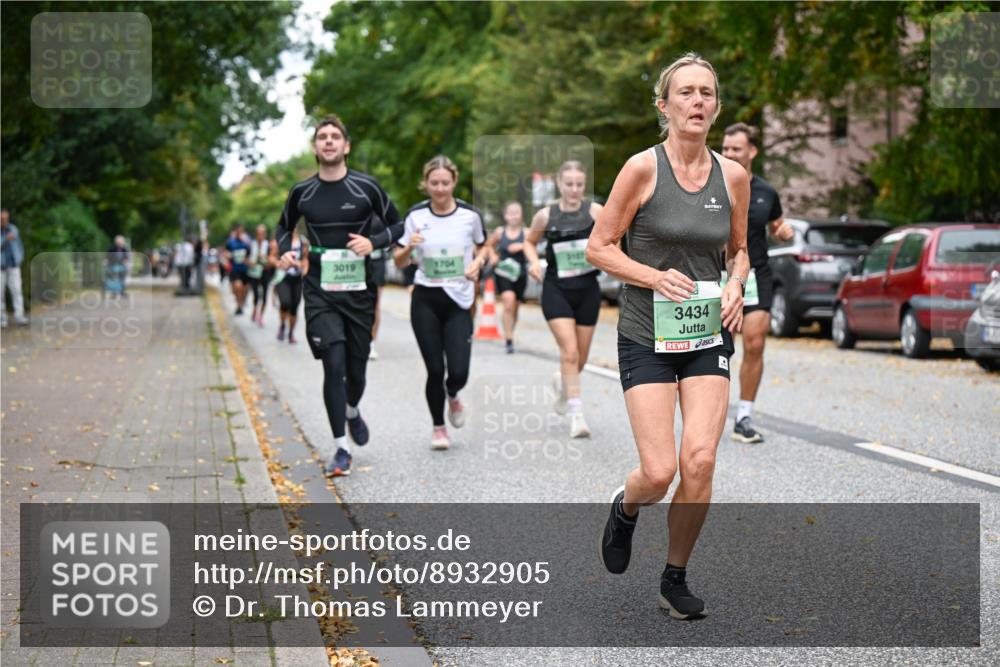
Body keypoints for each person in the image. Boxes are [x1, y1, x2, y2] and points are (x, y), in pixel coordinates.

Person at [586, 53, 750, 620]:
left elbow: (740, 249)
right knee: (659, 472)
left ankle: (674, 577)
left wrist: (736, 284)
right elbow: (599, 246)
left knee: (699, 461)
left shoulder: (734, 176)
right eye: (686, 93)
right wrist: (654, 276)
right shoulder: (641, 169)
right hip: (645, 331)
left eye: (707, 93)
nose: (698, 101)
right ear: (665, 105)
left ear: (717, 106)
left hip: (706, 332)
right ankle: (627, 509)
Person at [276, 114, 402, 477]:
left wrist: (373, 241)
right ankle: (341, 449)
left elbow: (398, 224)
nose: (329, 141)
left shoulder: (367, 188)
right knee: (333, 363)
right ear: (316, 147)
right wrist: (287, 248)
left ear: (346, 146)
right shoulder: (303, 192)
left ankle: (351, 411)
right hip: (319, 290)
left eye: (335, 137)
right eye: (322, 137)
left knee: (356, 372)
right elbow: (283, 226)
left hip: (359, 292)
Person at [394, 156, 488, 450]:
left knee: (458, 371)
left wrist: (478, 263)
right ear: (426, 184)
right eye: (434, 183)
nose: (439, 188)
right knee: (435, 368)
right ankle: (438, 427)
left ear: (454, 182)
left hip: (459, 300)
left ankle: (453, 394)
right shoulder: (415, 216)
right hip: (425, 299)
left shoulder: (469, 216)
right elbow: (398, 262)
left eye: (445, 182)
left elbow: (483, 246)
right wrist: (409, 246)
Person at [721, 123, 793, 444]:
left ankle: (744, 416)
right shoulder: (710, 185)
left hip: (755, 274)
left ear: (752, 152)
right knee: (718, 347)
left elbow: (775, 223)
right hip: (717, 275)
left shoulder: (766, 192)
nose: (729, 154)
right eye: (725, 148)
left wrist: (781, 231)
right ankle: (707, 411)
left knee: (754, 343)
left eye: (736, 149)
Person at [523, 161, 605, 438]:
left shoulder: (595, 211)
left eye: (579, 184)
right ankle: (577, 415)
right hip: (556, 289)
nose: (573, 189)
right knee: (569, 352)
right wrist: (533, 262)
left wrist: (609, 255)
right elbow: (529, 242)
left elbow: (612, 238)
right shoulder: (546, 216)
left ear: (584, 186)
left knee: (578, 360)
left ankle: (562, 383)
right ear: (559, 184)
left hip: (588, 290)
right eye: (568, 184)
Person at [486, 201, 528, 353]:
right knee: (508, 302)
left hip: (520, 274)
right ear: (505, 216)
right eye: (510, 213)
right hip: (503, 273)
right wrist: (492, 256)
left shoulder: (527, 233)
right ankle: (509, 339)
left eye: (516, 213)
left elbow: (533, 246)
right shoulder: (499, 232)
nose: (513, 216)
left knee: (515, 308)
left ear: (521, 215)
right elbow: (488, 245)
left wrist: (522, 246)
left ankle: (510, 331)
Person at [271, 226, 307, 344]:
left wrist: (301, 265)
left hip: (297, 278)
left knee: (294, 308)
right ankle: (282, 326)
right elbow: (272, 257)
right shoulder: (280, 240)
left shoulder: (303, 242)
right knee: (285, 302)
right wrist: (278, 263)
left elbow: (306, 260)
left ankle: (291, 333)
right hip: (283, 277)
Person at [1, 208, 27, 327]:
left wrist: (20, 257)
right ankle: (2, 319)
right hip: (1, 267)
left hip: (14, 265)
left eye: (5, 218)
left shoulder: (13, 229)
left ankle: (19, 316)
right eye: (1, 219)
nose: (4, 221)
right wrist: (6, 239)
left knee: (17, 290)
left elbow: (19, 245)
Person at [368, 217, 389, 360]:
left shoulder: (381, 213)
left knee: (375, 305)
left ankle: (371, 344)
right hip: (357, 263)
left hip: (377, 264)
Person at [248, 224, 276, 327]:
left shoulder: (268, 245)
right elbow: (246, 258)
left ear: (265, 234)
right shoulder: (251, 244)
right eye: (259, 233)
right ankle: (255, 308)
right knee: (255, 294)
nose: (261, 235)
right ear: (256, 234)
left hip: (265, 272)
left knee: (264, 295)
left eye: (262, 233)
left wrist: (266, 260)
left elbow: (272, 259)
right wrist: (250, 263)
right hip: (254, 272)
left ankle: (261, 316)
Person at [225, 225, 251, 314]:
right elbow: (226, 253)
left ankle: (241, 303)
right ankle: (238, 305)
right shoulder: (230, 242)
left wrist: (248, 261)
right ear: (236, 232)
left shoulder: (246, 243)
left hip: (245, 269)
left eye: (241, 232)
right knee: (237, 287)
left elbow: (249, 255)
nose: (240, 233)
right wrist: (228, 256)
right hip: (235, 269)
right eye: (238, 232)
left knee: (244, 289)